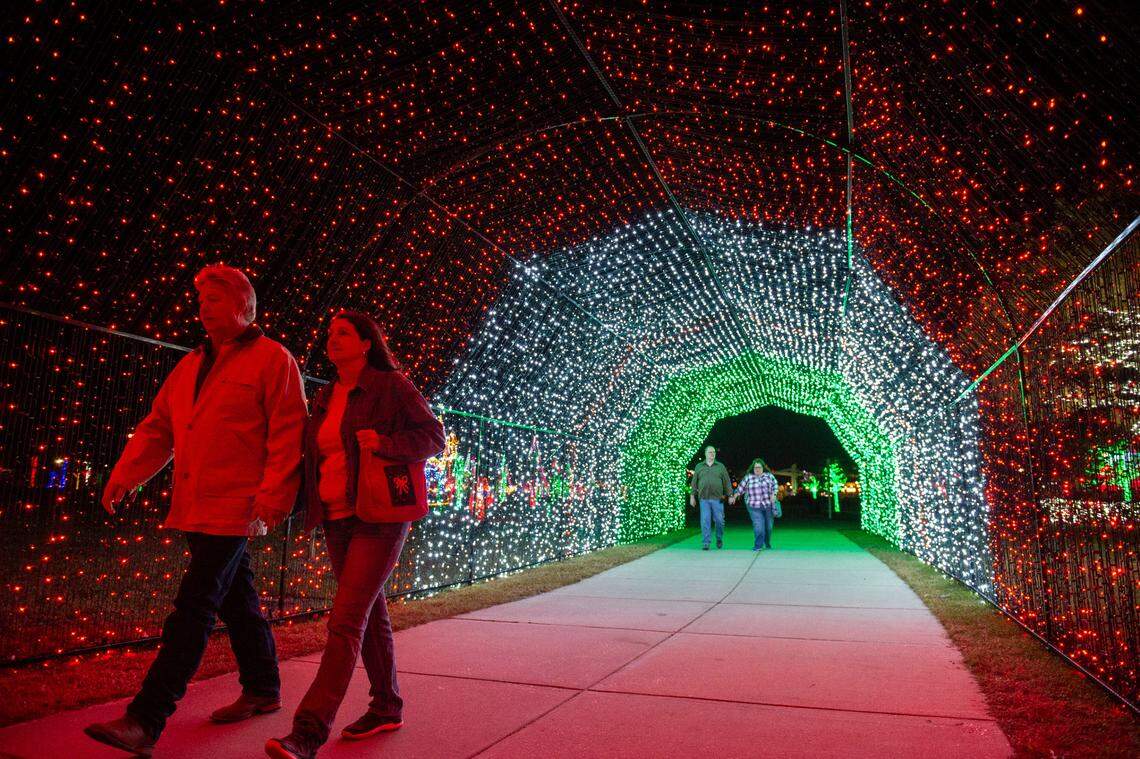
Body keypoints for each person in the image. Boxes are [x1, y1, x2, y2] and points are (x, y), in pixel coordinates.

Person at [85, 265, 307, 756]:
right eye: (201, 300)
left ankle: (146, 719)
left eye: (214, 299)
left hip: (237, 506)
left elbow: (289, 432)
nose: (203, 308)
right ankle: (264, 687)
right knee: (237, 600)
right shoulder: (190, 365)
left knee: (194, 607)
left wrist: (274, 496)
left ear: (244, 306)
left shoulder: (274, 360)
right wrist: (126, 473)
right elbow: (159, 427)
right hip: (194, 503)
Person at [266, 311, 445, 759]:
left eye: (344, 333)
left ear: (367, 343)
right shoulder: (326, 395)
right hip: (337, 517)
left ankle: (307, 732)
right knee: (369, 612)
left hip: (378, 517)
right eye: (330, 333)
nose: (333, 339)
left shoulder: (391, 385)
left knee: (345, 621)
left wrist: (385, 443)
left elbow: (433, 436)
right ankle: (386, 706)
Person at [730, 458, 779, 551]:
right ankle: (758, 545)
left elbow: (775, 485)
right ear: (753, 468)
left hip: (768, 505)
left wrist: (774, 494)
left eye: (759, 467)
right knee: (759, 526)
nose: (757, 469)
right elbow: (740, 489)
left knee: (768, 527)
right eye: (755, 467)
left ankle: (767, 542)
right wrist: (734, 497)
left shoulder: (769, 476)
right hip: (753, 506)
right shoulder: (748, 477)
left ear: (763, 468)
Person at [689, 445, 731, 550]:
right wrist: (692, 496)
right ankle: (706, 542)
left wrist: (730, 495)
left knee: (719, 521)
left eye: (713, 452)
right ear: (705, 453)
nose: (712, 454)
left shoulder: (720, 466)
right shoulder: (699, 466)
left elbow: (727, 482)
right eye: (710, 452)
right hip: (704, 499)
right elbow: (694, 483)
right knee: (705, 520)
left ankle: (719, 538)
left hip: (718, 499)